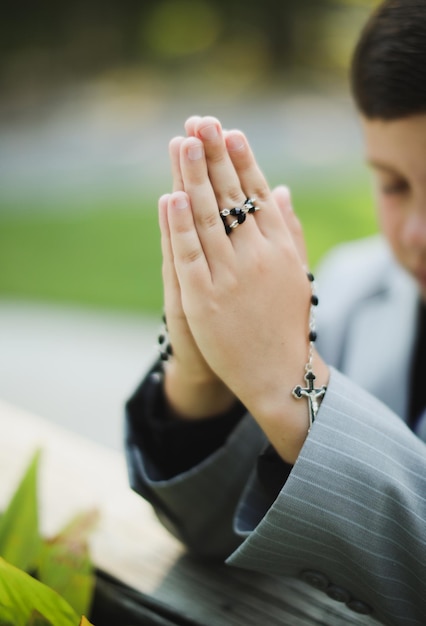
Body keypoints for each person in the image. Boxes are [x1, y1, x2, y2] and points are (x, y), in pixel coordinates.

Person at [125, 1, 426, 624]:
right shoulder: (351, 286)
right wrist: (202, 380)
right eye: (394, 185)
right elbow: (223, 534)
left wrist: (293, 389)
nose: (416, 233)